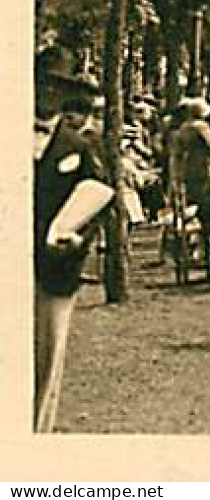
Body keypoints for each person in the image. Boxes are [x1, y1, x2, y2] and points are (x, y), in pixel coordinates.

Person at [33, 47, 114, 432]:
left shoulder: (78, 146)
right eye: (43, 85)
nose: (49, 95)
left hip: (52, 268)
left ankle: (36, 438)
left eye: (57, 88)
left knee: (46, 360)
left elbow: (98, 198)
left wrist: (75, 238)